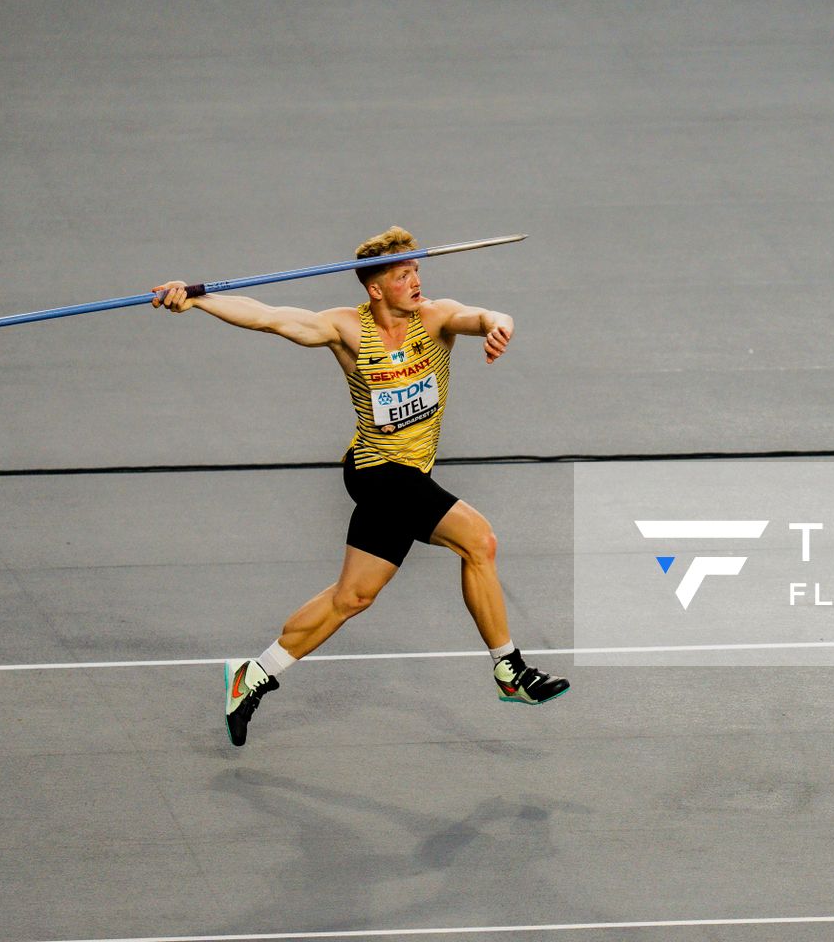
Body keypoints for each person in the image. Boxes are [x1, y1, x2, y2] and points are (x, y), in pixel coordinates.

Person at [152, 227, 569, 746]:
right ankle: (511, 671)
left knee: (352, 597)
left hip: (410, 478)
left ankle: (252, 675)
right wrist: (197, 299)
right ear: (376, 289)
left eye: (416, 270)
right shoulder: (347, 329)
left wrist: (499, 325)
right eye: (402, 275)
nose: (416, 281)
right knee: (479, 540)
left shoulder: (436, 318)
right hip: (375, 472)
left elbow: (483, 316)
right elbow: (270, 318)